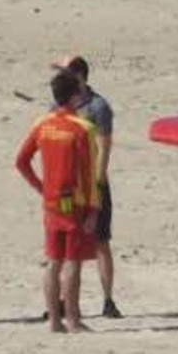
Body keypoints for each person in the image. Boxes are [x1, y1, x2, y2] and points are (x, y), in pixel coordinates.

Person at [15, 71, 101, 333]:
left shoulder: (43, 124)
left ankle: (54, 320)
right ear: (75, 96)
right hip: (74, 204)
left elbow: (21, 162)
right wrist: (93, 210)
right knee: (73, 262)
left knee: (53, 261)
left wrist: (42, 188)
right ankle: (73, 319)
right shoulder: (83, 128)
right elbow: (88, 175)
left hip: (52, 202)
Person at [52, 55, 123, 318]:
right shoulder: (57, 104)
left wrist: (98, 179)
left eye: (64, 72)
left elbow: (105, 145)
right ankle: (63, 301)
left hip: (92, 183)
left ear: (79, 76)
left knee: (101, 240)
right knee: (65, 241)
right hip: (67, 186)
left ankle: (108, 300)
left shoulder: (98, 107)